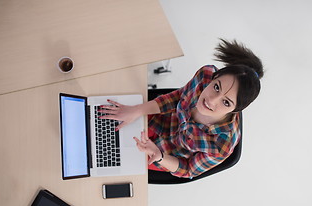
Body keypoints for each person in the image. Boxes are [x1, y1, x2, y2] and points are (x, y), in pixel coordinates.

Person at [98, 39, 264, 178]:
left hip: (164, 153)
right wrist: (137, 110)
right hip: (159, 119)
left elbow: (188, 169)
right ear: (214, 78)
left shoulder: (223, 144)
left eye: (226, 102)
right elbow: (176, 97)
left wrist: (159, 156)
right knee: (102, 125)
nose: (212, 100)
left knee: (106, 160)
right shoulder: (204, 76)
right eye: (216, 87)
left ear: (235, 111)